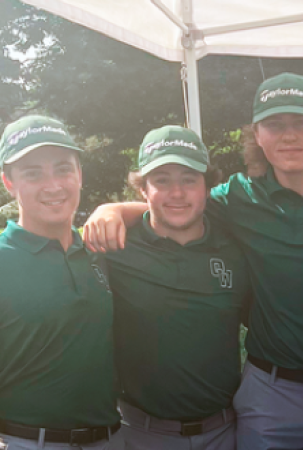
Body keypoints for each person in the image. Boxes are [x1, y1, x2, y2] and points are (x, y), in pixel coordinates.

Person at [82, 73, 303, 450]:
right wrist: (110, 209)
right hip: (272, 389)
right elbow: (176, 205)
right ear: (257, 136)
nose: (288, 135)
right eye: (274, 125)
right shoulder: (239, 197)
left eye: (302, 123)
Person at [104, 126, 252, 449]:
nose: (177, 193)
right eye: (162, 180)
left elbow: (268, 324)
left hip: (224, 433)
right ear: (143, 188)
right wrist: (107, 210)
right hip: (141, 434)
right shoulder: (115, 249)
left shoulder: (236, 250)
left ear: (207, 187)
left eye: (189, 179)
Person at [0, 116, 121, 448]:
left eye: (63, 169)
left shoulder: (99, 250)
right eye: (33, 173)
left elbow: (169, 213)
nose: (53, 185)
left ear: (80, 175)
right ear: (8, 183)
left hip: (109, 439)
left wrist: (117, 209)